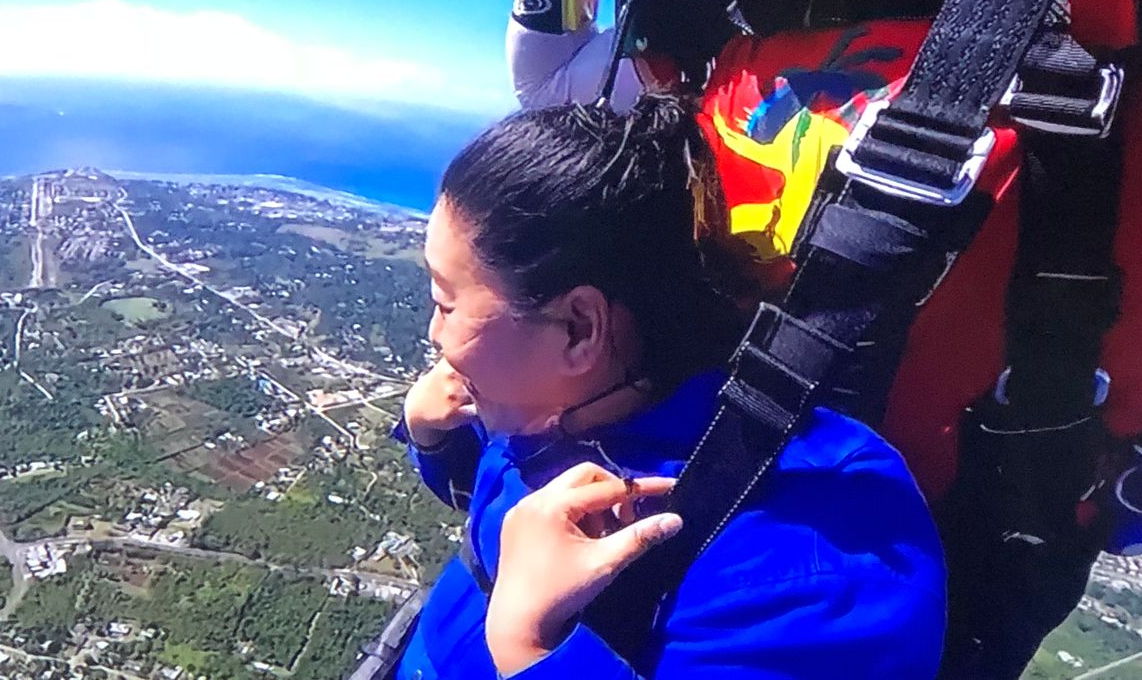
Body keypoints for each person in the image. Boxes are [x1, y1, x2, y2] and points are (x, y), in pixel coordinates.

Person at [507, 0, 1142, 676]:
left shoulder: (1107, 26)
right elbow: (553, 89)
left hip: (877, 617)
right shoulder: (739, 27)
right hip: (677, 549)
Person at [389, 96, 946, 678]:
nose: (435, 335)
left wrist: (529, 651)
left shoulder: (821, 567)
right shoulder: (560, 400)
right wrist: (436, 444)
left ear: (580, 328)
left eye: (445, 304)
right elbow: (493, 483)